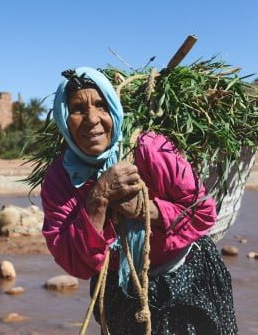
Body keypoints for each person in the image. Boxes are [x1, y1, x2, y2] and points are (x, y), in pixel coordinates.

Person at [40, 67, 238, 334]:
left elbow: (202, 213)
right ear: (65, 117)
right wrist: (97, 199)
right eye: (77, 109)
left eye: (101, 105)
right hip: (118, 290)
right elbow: (72, 261)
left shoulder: (150, 149)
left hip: (186, 279)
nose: (91, 119)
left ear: (113, 108)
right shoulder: (59, 180)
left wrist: (146, 209)